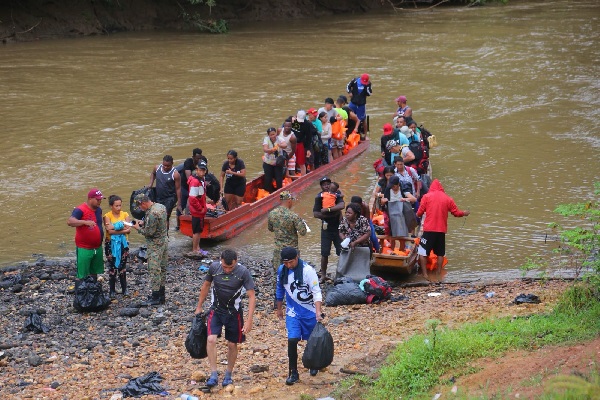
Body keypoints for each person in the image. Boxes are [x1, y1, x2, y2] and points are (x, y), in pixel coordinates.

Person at [194, 249, 256, 388]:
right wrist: (199, 306)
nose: (227, 270)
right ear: (220, 260)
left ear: (236, 262)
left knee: (232, 344)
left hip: (234, 313)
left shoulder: (243, 272)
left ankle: (228, 374)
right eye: (225, 266)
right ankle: (214, 374)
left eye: (231, 267)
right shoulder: (214, 267)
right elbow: (206, 286)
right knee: (211, 339)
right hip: (216, 310)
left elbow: (252, 296)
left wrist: (249, 320)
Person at [275, 247, 323, 385]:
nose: (289, 265)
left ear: (297, 258)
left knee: (311, 340)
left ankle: (313, 364)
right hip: (293, 312)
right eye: (286, 263)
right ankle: (293, 372)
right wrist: (279, 308)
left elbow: (316, 292)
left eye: (291, 262)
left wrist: (318, 311)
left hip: (309, 311)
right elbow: (280, 288)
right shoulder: (282, 270)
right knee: (292, 340)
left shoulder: (308, 271)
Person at [416, 179, 470, 281]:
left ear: (431, 188)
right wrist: (464, 213)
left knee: (422, 252)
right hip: (441, 230)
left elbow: (419, 212)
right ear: (441, 188)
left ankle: (425, 274)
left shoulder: (426, 197)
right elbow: (456, 213)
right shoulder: (448, 199)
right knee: (440, 253)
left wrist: (416, 215)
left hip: (429, 230)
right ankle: (438, 273)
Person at [131, 193, 168, 306]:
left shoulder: (152, 213)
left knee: (154, 270)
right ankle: (161, 295)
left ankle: (155, 297)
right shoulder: (160, 207)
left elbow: (149, 233)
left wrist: (137, 228)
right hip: (164, 241)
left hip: (155, 245)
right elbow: (158, 224)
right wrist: (145, 222)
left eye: (140, 207)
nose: (140, 209)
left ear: (143, 203)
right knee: (162, 268)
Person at [67, 189, 105, 281]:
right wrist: (84, 222)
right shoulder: (80, 210)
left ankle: (93, 288)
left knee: (95, 271)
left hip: (97, 247)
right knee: (83, 274)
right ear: (90, 199)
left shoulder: (99, 210)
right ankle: (82, 290)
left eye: (101, 199)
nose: (100, 201)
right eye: (97, 199)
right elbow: (70, 221)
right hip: (84, 247)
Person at [313, 177, 344, 283]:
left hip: (338, 227)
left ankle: (341, 274)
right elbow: (315, 213)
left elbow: (342, 205)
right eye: (324, 184)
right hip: (326, 227)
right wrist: (328, 214)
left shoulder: (336, 194)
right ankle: (323, 275)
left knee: (342, 251)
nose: (326, 186)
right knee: (324, 253)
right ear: (321, 187)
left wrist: (328, 210)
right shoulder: (319, 197)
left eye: (328, 184)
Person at [268, 190, 308, 274]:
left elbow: (270, 229)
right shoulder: (293, 216)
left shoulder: (272, 214)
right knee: (294, 274)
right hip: (292, 251)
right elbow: (303, 232)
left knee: (279, 274)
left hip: (278, 250)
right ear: (289, 200)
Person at [103, 195, 131, 298]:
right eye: (116, 206)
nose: (119, 208)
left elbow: (129, 229)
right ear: (111, 206)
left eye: (120, 205)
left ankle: (124, 289)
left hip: (123, 243)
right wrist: (122, 227)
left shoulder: (125, 214)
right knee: (112, 266)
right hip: (110, 244)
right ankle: (112, 290)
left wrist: (115, 228)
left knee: (123, 266)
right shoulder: (107, 216)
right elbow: (109, 231)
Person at [381, 175, 417, 250]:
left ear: (398, 185)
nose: (393, 188)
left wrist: (404, 199)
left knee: (402, 232)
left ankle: (401, 249)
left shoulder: (403, 189)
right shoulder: (388, 189)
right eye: (391, 186)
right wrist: (383, 201)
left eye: (394, 186)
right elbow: (382, 201)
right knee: (392, 233)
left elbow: (414, 199)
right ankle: (392, 249)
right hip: (391, 214)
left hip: (402, 213)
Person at [148, 155, 182, 231]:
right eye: (164, 165)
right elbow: (153, 174)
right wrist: (150, 183)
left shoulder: (175, 174)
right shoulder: (157, 168)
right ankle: (157, 233)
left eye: (168, 166)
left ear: (172, 164)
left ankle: (165, 236)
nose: (166, 167)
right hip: (158, 196)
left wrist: (179, 203)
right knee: (156, 215)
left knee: (165, 217)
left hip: (170, 198)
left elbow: (178, 189)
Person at [178, 148, 208, 230]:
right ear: (193, 157)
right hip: (186, 186)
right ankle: (179, 225)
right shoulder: (188, 162)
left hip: (197, 186)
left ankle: (194, 222)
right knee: (183, 204)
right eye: (197, 158)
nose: (199, 159)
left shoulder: (203, 162)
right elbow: (189, 178)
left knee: (196, 203)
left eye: (200, 158)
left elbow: (205, 175)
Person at [187, 161, 208, 257]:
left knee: (198, 230)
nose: (202, 172)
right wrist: (201, 209)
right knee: (196, 231)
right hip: (197, 211)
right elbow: (193, 199)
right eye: (200, 170)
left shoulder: (201, 180)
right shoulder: (196, 182)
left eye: (203, 170)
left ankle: (197, 247)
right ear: (197, 170)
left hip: (199, 210)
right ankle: (195, 249)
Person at [262, 127, 286, 193]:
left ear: (276, 133)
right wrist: (271, 150)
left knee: (279, 179)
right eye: (271, 135)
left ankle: (279, 191)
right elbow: (265, 149)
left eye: (274, 134)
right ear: (268, 135)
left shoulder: (279, 139)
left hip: (278, 163)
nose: (273, 136)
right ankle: (268, 192)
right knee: (268, 178)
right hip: (268, 163)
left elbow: (285, 145)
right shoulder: (266, 139)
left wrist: (279, 145)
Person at [291, 110, 314, 176]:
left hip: (300, 144)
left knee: (301, 162)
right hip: (291, 144)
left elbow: (309, 137)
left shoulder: (307, 124)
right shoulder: (292, 120)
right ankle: (293, 176)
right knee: (291, 162)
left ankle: (303, 177)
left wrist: (308, 149)